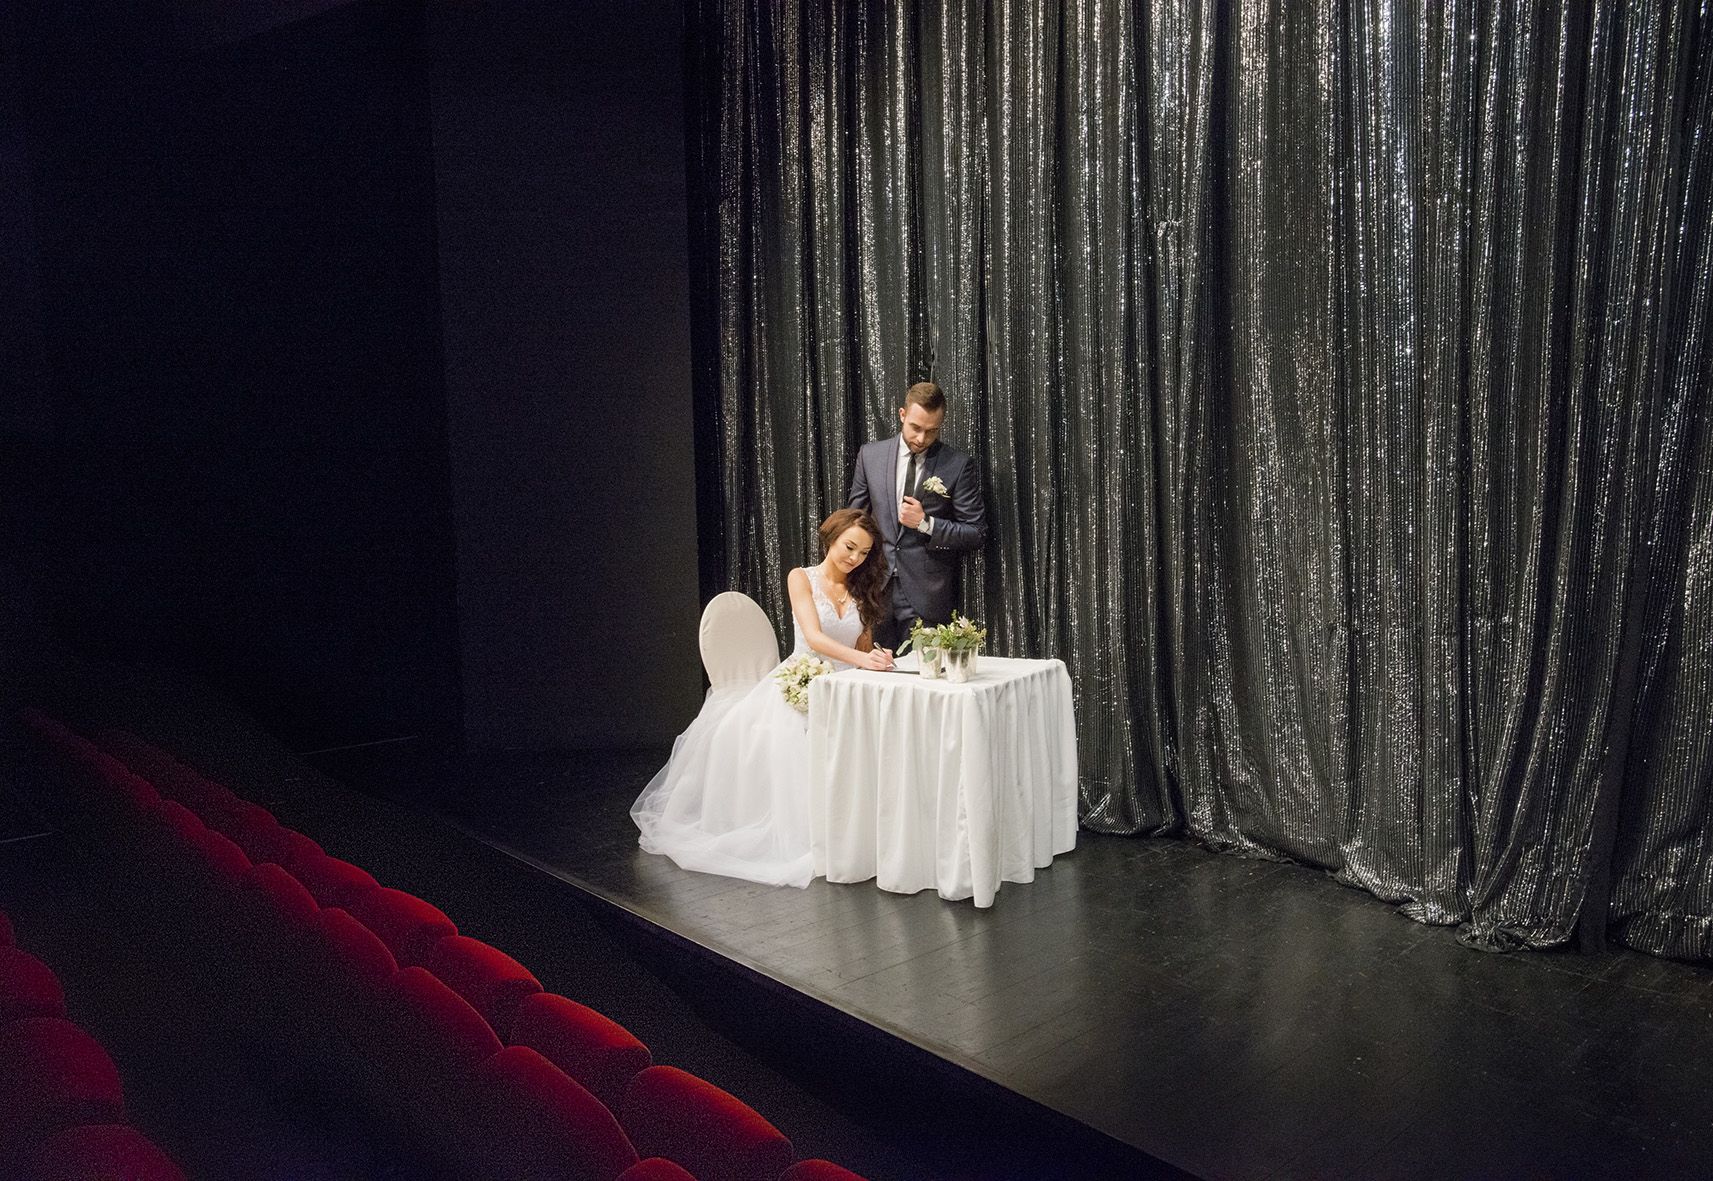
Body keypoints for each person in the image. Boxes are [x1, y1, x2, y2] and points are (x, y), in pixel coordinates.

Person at [630, 508, 893, 887]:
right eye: (849, 547)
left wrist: (877, 656)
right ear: (831, 539)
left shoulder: (861, 590)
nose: (855, 558)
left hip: (847, 684)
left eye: (864, 553)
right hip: (803, 679)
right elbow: (814, 637)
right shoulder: (801, 577)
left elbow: (862, 646)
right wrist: (862, 660)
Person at [848, 381, 987, 651]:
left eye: (932, 430)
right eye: (916, 427)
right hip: (875, 588)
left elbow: (976, 532)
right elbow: (855, 519)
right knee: (874, 672)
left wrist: (926, 524)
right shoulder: (870, 456)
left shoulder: (957, 465)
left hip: (927, 596)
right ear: (902, 414)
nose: (922, 438)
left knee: (924, 674)